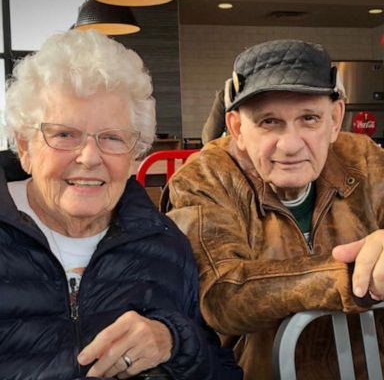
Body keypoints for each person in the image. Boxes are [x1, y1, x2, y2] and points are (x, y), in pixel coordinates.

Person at [0, 29, 243, 380]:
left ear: (135, 154)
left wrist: (174, 341)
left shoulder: (164, 244)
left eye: (112, 137)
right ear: (24, 147)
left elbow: (222, 372)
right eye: (65, 134)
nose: (89, 157)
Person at [163, 39, 384, 379]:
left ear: (335, 119)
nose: (291, 144)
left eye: (309, 118)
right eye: (268, 122)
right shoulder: (203, 177)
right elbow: (222, 294)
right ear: (237, 128)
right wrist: (357, 274)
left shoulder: (365, 159)